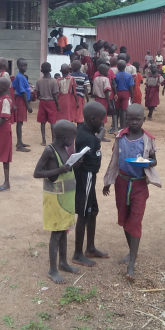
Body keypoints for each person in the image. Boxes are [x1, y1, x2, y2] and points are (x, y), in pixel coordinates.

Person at [102, 103, 160, 281]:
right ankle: (131, 252)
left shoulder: (148, 138)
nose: (134, 122)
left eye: (138, 119)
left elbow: (154, 160)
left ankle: (132, 263)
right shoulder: (121, 136)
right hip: (122, 182)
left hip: (139, 184)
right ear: (126, 119)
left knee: (135, 220)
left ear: (143, 119)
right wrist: (108, 181)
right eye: (131, 119)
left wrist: (148, 163)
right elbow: (115, 160)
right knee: (125, 219)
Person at [33, 120, 82, 284]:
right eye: (72, 138)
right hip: (54, 200)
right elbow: (37, 172)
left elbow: (66, 168)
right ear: (64, 137)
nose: (73, 141)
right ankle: (52, 269)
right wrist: (59, 170)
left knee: (64, 231)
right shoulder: (49, 150)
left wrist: (74, 164)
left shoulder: (64, 149)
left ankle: (63, 262)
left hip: (66, 200)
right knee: (56, 233)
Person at [72, 101, 109, 267]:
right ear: (93, 119)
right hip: (85, 177)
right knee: (84, 213)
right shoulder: (86, 136)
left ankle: (90, 248)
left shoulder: (84, 129)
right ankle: (78, 254)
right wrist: (100, 136)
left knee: (92, 211)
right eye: (102, 120)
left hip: (90, 177)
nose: (103, 123)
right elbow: (92, 145)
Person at [12, 58, 34, 152]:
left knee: (20, 123)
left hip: (22, 101)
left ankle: (19, 142)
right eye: (22, 65)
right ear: (18, 66)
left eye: (25, 65)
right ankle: (19, 145)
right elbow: (23, 91)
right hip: (21, 101)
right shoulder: (20, 77)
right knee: (19, 123)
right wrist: (27, 105)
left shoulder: (22, 76)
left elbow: (13, 85)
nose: (24, 67)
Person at [36, 62, 60, 146]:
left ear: (41, 70)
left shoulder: (39, 81)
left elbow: (37, 94)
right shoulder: (54, 81)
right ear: (50, 70)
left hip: (42, 102)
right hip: (51, 103)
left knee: (42, 122)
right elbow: (55, 95)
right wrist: (58, 105)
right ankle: (53, 141)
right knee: (52, 122)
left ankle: (43, 140)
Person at [91, 63, 114, 142]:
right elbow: (106, 92)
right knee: (102, 119)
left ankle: (95, 133)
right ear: (103, 71)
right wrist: (109, 103)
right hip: (103, 100)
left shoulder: (96, 78)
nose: (108, 72)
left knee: (97, 117)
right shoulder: (106, 79)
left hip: (97, 99)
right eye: (107, 70)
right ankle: (102, 136)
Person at [114, 60, 135, 131]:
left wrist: (115, 94)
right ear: (125, 67)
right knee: (124, 110)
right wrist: (132, 96)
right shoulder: (129, 75)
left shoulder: (115, 75)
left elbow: (114, 85)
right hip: (126, 93)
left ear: (117, 67)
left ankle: (115, 126)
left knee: (117, 110)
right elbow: (131, 87)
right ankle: (122, 127)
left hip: (118, 92)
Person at [70, 60, 90, 124]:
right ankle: (79, 130)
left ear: (72, 67)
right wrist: (87, 98)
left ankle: (70, 130)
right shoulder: (84, 76)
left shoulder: (70, 76)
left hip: (71, 97)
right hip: (80, 97)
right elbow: (85, 89)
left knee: (71, 113)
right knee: (79, 115)